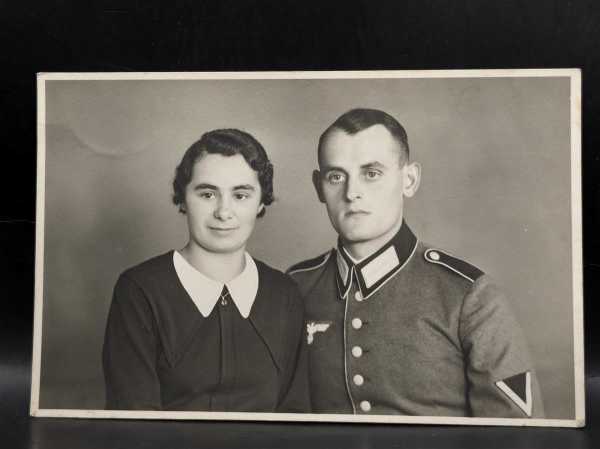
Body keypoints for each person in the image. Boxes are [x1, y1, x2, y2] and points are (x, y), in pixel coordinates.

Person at [288, 108, 544, 417]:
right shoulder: (295, 288)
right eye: (336, 176)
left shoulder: (468, 296)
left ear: (409, 180)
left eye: (371, 174)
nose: (352, 193)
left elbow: (516, 437)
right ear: (319, 187)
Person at [103, 129, 309, 412]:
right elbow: (136, 425)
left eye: (240, 195)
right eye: (208, 193)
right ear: (183, 199)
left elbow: (295, 418)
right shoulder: (140, 291)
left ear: (261, 202)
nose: (224, 212)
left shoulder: (284, 294)